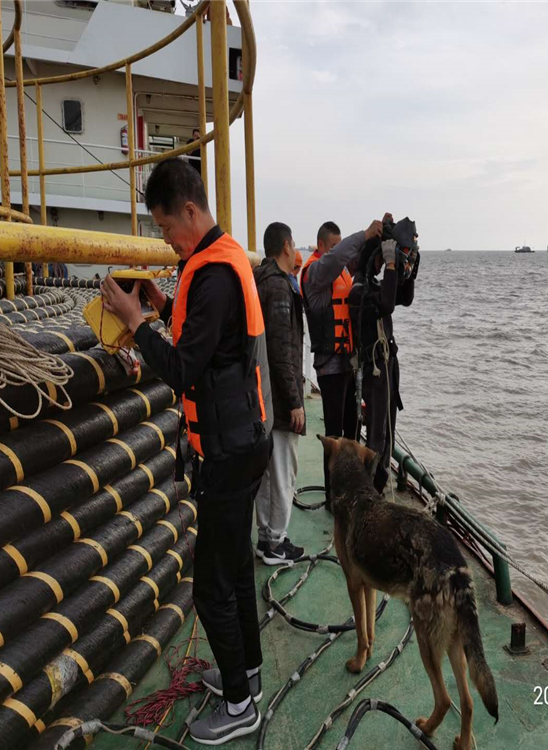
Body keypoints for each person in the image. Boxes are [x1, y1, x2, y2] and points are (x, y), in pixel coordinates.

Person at [100, 158, 270, 745]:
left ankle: (242, 705)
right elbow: (209, 339)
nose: (165, 238)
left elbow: (180, 367)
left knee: (211, 587)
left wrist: (134, 320)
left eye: (166, 226)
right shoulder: (224, 260)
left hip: (227, 450)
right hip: (247, 440)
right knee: (239, 569)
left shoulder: (214, 273)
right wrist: (158, 306)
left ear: (191, 212)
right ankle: (244, 672)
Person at [300, 218, 383, 507]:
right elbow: (339, 258)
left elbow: (361, 263)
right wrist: (362, 234)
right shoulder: (315, 273)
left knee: (350, 434)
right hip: (330, 368)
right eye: (333, 246)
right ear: (321, 246)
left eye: (339, 245)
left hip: (349, 364)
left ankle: (351, 493)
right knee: (333, 438)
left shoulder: (342, 273)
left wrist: (378, 240)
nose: (339, 253)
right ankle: (333, 498)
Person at [348, 220, 418, 493]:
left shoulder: (373, 287)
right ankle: (368, 490)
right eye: (378, 260)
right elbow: (387, 303)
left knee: (387, 431)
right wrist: (389, 264)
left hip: (387, 367)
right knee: (376, 434)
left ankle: (380, 481)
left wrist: (408, 267)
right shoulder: (359, 293)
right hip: (375, 372)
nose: (381, 265)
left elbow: (404, 297)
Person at [253, 223, 306, 564]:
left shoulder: (260, 280)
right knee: (283, 471)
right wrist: (296, 402)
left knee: (268, 473)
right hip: (279, 400)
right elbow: (281, 349)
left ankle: (266, 538)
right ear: (286, 246)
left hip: (262, 398)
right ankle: (276, 540)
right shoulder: (279, 288)